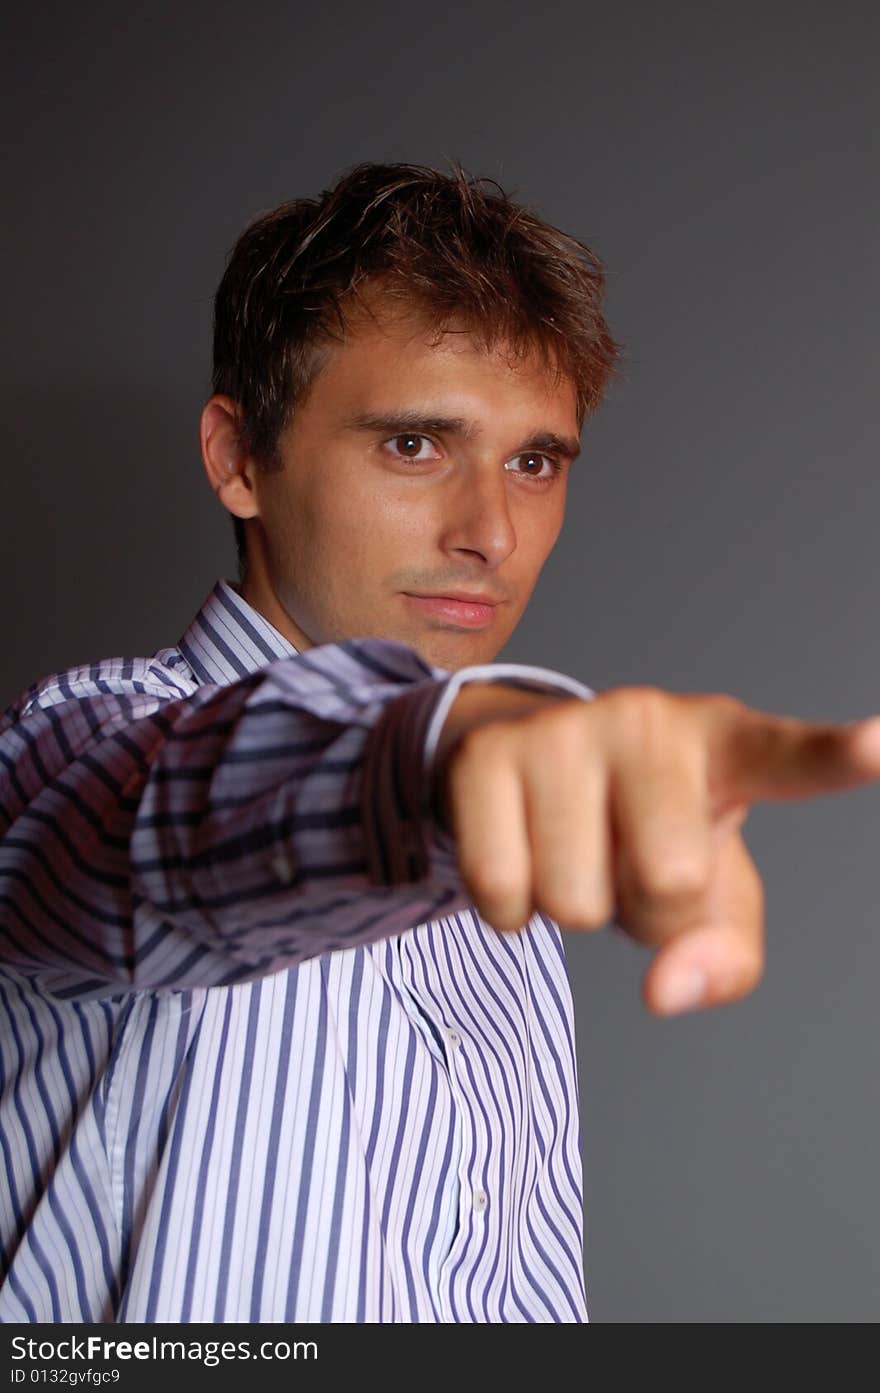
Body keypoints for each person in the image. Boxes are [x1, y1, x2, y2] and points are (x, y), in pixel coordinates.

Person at [2, 162, 879, 1325]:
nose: (492, 533)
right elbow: (170, 809)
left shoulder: (503, 894)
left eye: (534, 461)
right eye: (414, 445)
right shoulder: (77, 753)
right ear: (239, 458)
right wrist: (450, 749)